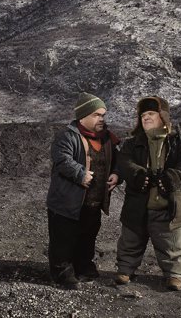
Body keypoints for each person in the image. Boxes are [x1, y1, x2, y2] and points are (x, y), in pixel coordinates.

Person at [114, 96, 181, 291]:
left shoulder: (180, 144)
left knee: (172, 244)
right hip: (138, 203)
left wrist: (173, 177)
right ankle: (125, 270)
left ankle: (174, 275)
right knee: (130, 240)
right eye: (143, 115)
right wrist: (136, 173)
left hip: (169, 205)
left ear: (163, 116)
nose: (146, 118)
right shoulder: (132, 144)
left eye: (151, 113)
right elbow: (124, 161)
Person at [46, 92, 121, 289]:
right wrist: (80, 174)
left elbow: (118, 160)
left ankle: (83, 266)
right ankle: (61, 273)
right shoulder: (67, 136)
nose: (102, 119)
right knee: (63, 238)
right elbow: (61, 159)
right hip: (67, 202)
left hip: (93, 202)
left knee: (87, 236)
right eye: (97, 115)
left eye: (103, 115)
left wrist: (117, 174)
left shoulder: (106, 139)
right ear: (83, 116)